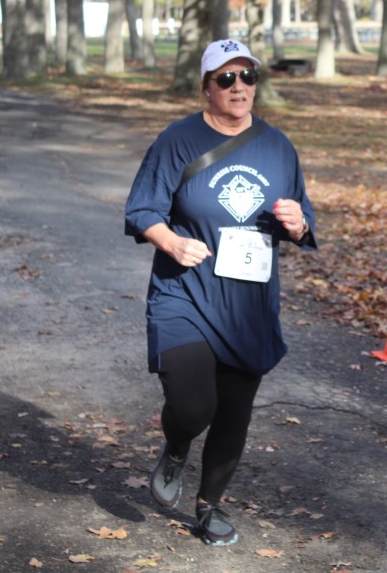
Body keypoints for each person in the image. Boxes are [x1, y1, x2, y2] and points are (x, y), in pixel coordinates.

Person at [124, 39, 317, 546]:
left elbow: (302, 219)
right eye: (226, 78)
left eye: (247, 77)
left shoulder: (277, 146)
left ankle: (209, 507)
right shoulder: (178, 141)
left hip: (248, 303)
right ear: (206, 88)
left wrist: (297, 224)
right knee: (193, 407)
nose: (239, 87)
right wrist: (171, 242)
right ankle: (177, 444)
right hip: (183, 292)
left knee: (234, 413)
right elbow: (142, 209)